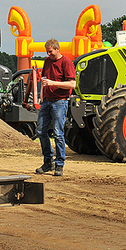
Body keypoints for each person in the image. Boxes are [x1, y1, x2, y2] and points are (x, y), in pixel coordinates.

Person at [35, 39, 76, 177]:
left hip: (60, 101)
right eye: (47, 51)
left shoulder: (66, 63)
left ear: (58, 49)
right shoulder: (47, 61)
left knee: (58, 133)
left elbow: (72, 84)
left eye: (50, 51)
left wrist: (53, 83)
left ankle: (59, 164)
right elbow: (44, 79)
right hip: (47, 101)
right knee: (40, 131)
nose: (48, 54)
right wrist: (42, 95)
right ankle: (48, 161)